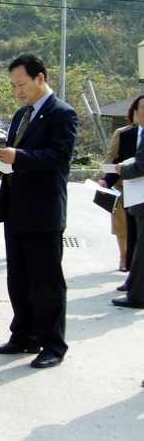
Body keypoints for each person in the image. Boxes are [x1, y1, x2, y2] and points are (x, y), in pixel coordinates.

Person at [0, 53, 78, 369]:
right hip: (16, 208)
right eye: (14, 85)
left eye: (22, 84)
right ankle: (24, 335)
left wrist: (17, 156)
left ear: (40, 78)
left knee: (46, 281)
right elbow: (15, 159)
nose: (18, 90)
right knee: (18, 279)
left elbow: (59, 156)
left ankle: (53, 344)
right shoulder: (21, 114)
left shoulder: (62, 113)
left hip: (44, 211)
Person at [112, 95, 144, 309]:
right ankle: (133, 285)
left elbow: (141, 166)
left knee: (142, 249)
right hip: (135, 196)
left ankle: (138, 295)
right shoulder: (126, 134)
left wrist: (123, 169)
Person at [99, 115, 138, 273]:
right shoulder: (124, 133)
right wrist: (105, 179)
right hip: (122, 185)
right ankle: (124, 257)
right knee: (121, 224)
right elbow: (113, 157)